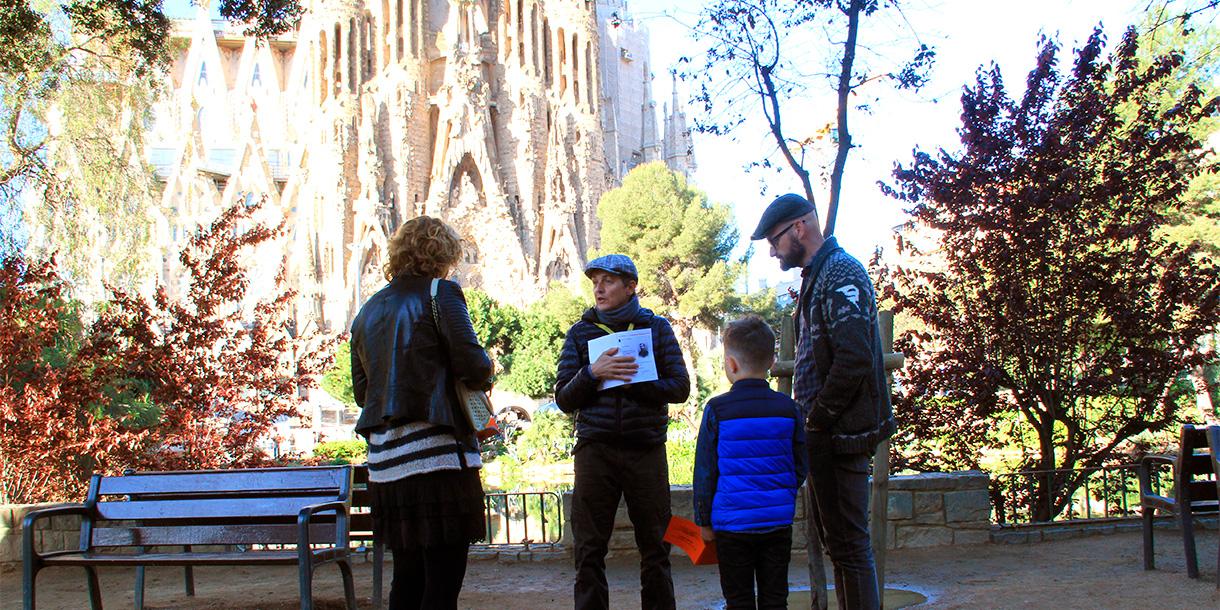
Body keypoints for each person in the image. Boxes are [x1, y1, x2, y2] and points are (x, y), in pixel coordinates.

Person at [751, 193, 895, 610]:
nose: (773, 252)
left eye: (774, 241)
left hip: (842, 435)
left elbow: (854, 358)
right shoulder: (819, 275)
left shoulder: (840, 272)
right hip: (829, 435)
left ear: (799, 228)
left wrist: (816, 420)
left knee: (850, 548)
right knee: (843, 548)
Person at [350, 215, 493, 610]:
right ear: (444, 254)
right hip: (436, 459)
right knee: (443, 582)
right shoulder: (440, 293)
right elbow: (473, 365)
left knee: (408, 578)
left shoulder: (367, 311)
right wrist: (488, 366)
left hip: (387, 466)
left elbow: (364, 393)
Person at [554, 254, 691, 610]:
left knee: (657, 547)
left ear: (631, 287)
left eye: (608, 281)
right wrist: (593, 373)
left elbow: (680, 388)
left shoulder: (657, 328)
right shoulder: (579, 332)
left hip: (645, 449)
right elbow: (564, 398)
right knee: (588, 550)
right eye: (595, 282)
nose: (599, 288)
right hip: (594, 451)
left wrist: (633, 384)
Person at [693, 315, 807, 610]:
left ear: (730, 364)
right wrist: (782, 491)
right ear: (771, 361)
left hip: (732, 525)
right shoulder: (789, 408)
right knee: (775, 598)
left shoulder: (718, 409)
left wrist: (704, 521)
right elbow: (800, 463)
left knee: (738, 599)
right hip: (777, 521)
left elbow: (705, 471)